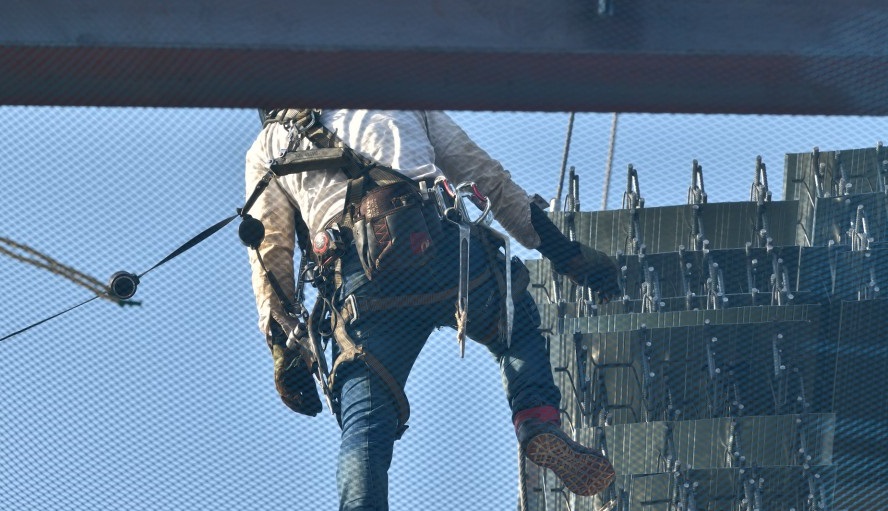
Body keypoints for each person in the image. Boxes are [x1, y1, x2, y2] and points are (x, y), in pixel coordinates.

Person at [244, 109, 620, 510]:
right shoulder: (398, 99)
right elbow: (486, 176)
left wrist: (284, 347)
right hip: (445, 255)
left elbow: (270, 253)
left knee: (365, 422)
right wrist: (566, 255)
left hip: (362, 290)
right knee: (515, 323)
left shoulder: (268, 146)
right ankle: (537, 419)